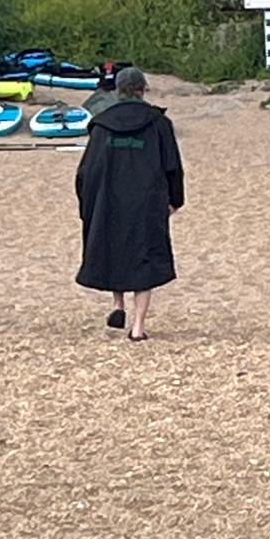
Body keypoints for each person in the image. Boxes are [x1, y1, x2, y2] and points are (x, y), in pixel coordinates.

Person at [75, 67, 184, 343]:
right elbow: (172, 167)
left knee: (114, 251)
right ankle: (137, 327)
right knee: (143, 259)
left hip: (108, 200)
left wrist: (86, 205)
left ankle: (118, 305)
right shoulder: (158, 124)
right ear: (142, 89)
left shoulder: (101, 125)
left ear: (118, 91)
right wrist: (175, 200)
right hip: (147, 201)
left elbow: (86, 171)